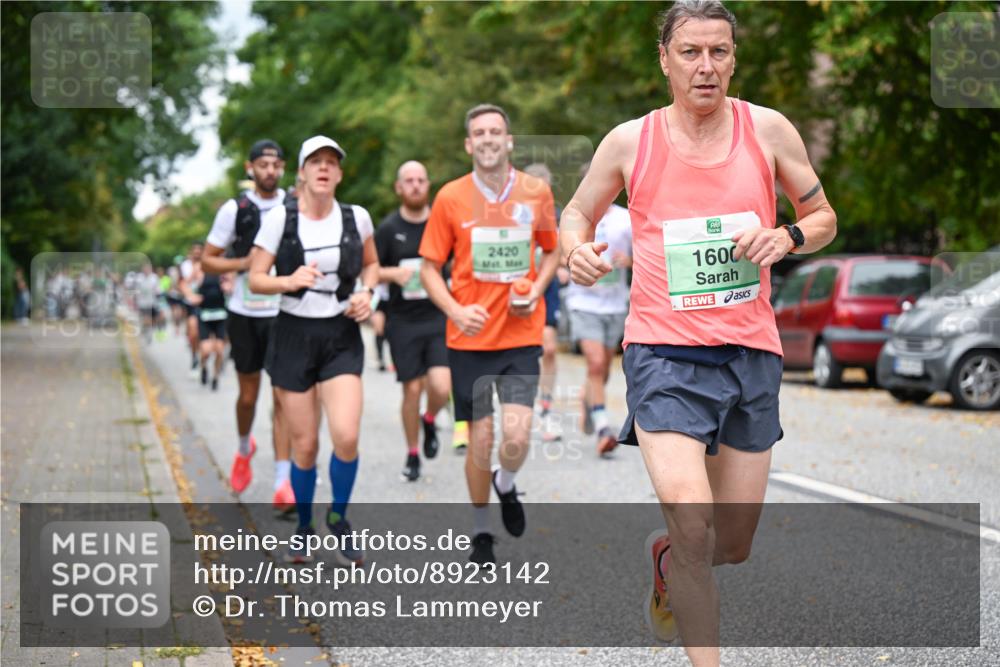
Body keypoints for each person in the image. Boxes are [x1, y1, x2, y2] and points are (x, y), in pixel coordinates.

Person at [559, 2, 837, 663]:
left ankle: (664, 559)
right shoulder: (630, 141)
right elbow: (577, 209)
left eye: (718, 52)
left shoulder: (768, 131)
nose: (705, 65)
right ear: (665, 59)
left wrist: (787, 234)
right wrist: (574, 244)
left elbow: (822, 214)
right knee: (692, 521)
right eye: (690, 52)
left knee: (730, 543)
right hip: (663, 351)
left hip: (750, 350)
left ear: (734, 58)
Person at [419, 104, 559, 566]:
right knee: (479, 443)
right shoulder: (450, 197)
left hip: (521, 335)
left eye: (495, 131)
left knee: (515, 437)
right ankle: (482, 530)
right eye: (478, 132)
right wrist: (456, 310)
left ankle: (508, 483)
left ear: (509, 140)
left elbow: (553, 253)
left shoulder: (536, 192)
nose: (487, 139)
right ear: (468, 144)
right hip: (469, 343)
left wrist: (536, 289)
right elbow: (428, 269)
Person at [249, 135, 380, 567]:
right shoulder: (279, 220)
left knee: (346, 435)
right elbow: (256, 278)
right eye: (315, 162)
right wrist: (289, 280)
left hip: (340, 333)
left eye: (332, 162)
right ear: (301, 172)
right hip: (292, 335)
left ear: (339, 173)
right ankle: (304, 529)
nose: (323, 168)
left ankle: (338, 517)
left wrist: (368, 294)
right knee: (304, 446)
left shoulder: (355, 217)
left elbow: (371, 266)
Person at [202, 139, 295, 510]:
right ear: (249, 168)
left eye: (276, 164)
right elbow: (208, 261)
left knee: (283, 397)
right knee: (248, 396)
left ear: (284, 168)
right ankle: (244, 449)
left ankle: (283, 482)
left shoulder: (294, 206)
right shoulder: (234, 209)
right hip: (244, 311)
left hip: (283, 311)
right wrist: (244, 265)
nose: (269, 171)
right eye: (263, 164)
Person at [375, 160, 451, 482]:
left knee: (440, 385)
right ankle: (412, 453)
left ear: (428, 185)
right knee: (411, 389)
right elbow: (369, 269)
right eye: (409, 180)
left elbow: (460, 262)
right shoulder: (388, 230)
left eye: (421, 179)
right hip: (402, 321)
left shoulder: (442, 222)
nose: (416, 185)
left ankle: (430, 418)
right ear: (399, 187)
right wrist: (392, 273)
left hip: (438, 317)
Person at [564, 162, 633, 456]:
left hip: (616, 304)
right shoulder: (575, 221)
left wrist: (629, 262)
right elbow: (558, 256)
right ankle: (604, 427)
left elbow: (646, 258)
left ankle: (589, 400)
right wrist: (569, 264)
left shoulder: (627, 220)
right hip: (583, 304)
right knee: (594, 363)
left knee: (602, 367)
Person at [523, 163, 569, 443]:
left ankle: (545, 409)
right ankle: (519, 408)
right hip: (518, 288)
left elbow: (562, 251)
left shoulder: (558, 215)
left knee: (549, 349)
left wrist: (564, 265)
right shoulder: (511, 213)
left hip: (547, 289)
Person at [179, 243, 205, 375]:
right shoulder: (186, 266)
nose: (197, 253)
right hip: (191, 303)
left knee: (205, 336)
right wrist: (191, 295)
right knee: (194, 332)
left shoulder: (207, 264)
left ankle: (203, 360)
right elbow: (184, 283)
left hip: (205, 303)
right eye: (194, 251)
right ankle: (195, 356)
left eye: (199, 251)